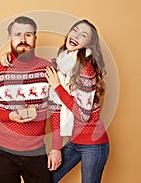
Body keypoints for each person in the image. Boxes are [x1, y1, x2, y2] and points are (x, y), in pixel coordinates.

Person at [0, 16, 62, 183]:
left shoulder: (48, 69)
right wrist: (9, 116)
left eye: (28, 35)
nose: (22, 40)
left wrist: (56, 148)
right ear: (9, 38)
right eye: (17, 34)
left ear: (35, 38)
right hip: (2, 153)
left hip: (35, 152)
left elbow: (56, 110)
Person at [45, 20, 109, 183]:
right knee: (46, 179)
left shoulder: (86, 69)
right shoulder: (57, 65)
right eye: (75, 30)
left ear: (88, 44)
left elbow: (83, 114)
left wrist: (58, 87)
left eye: (84, 35)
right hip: (74, 142)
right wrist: (55, 148)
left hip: (94, 144)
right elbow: (55, 110)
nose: (77, 36)